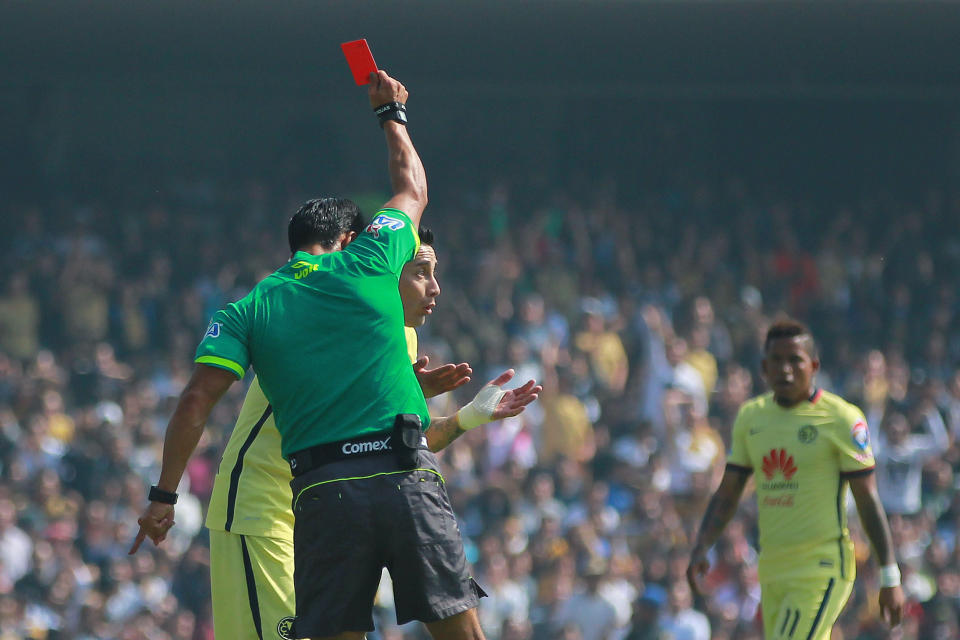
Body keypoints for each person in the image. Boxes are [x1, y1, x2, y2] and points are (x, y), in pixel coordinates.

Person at [131, 70, 541, 640]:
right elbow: (413, 187)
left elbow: (197, 400)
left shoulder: (248, 309)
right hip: (393, 481)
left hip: (323, 494)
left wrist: (163, 495)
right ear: (352, 240)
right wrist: (392, 116)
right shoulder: (370, 265)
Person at [201, 226, 472, 640]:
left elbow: (380, 446)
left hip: (322, 507)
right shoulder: (319, 314)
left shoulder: (402, 337)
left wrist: (465, 418)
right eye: (420, 272)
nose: (434, 288)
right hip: (263, 511)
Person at [686, 318, 905, 640]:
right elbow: (728, 492)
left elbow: (867, 499)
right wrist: (702, 545)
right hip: (772, 568)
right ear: (764, 367)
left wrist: (889, 575)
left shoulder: (841, 418)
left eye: (795, 360)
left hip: (822, 567)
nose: (785, 369)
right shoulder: (751, 418)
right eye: (776, 361)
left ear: (813, 365)